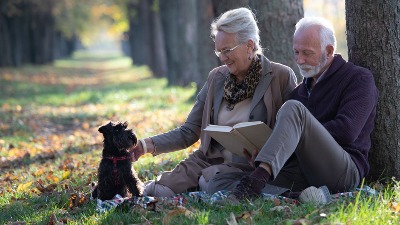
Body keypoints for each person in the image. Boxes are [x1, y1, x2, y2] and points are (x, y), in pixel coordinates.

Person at [129, 7, 297, 197]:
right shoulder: (216, 78)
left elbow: (292, 131)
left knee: (211, 184)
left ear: (249, 45)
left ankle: (222, 188)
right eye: (219, 52)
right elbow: (189, 131)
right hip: (207, 162)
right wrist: (145, 145)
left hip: (250, 168)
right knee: (157, 191)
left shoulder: (280, 76)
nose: (222, 58)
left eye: (227, 50)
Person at [218, 16, 378, 202]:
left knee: (293, 109)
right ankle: (296, 196)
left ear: (329, 51)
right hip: (303, 171)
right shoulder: (300, 92)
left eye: (307, 53)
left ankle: (257, 181)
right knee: (220, 180)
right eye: (296, 52)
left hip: (342, 171)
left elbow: (346, 131)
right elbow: (292, 141)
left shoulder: (357, 78)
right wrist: (265, 153)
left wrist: (301, 133)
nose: (299, 60)